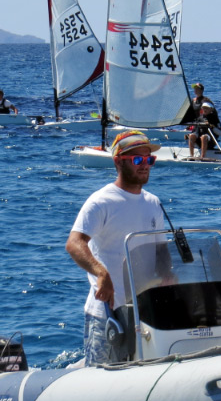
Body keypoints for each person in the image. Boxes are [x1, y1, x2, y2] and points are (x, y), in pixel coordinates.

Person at [65, 130, 166, 365]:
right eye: (138, 160)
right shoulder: (101, 202)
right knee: (99, 381)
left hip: (145, 314)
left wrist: (169, 279)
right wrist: (101, 274)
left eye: (149, 160)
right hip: (108, 314)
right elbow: (74, 243)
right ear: (118, 161)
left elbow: (160, 251)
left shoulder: (153, 203)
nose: (145, 165)